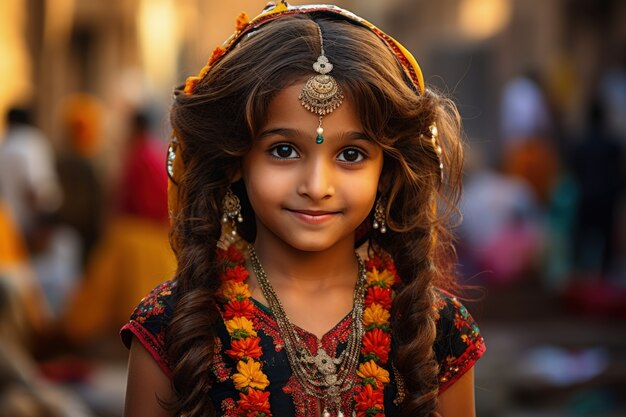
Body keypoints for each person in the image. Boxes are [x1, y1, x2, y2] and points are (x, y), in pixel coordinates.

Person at [121, 3, 486, 417]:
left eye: (350, 154)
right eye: (283, 150)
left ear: (387, 170)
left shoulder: (434, 327)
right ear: (235, 160)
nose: (316, 187)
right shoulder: (173, 326)